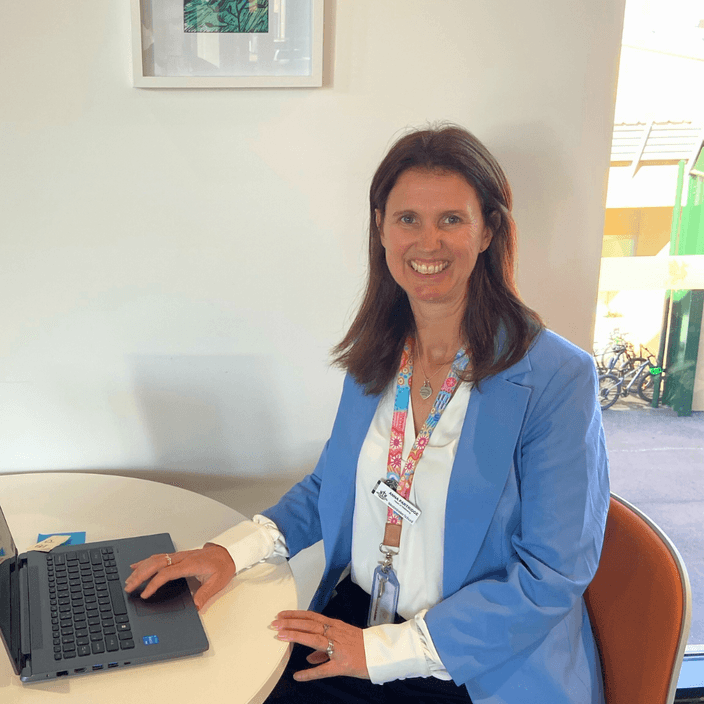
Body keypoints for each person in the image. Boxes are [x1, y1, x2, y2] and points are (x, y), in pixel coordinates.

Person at [125, 124, 609, 704]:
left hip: (469, 664)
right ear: (381, 227)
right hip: (358, 618)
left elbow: (552, 577)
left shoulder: (556, 378)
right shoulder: (380, 351)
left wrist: (380, 652)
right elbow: (335, 483)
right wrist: (229, 553)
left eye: (451, 219)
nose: (427, 243)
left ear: (488, 231)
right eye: (408, 219)